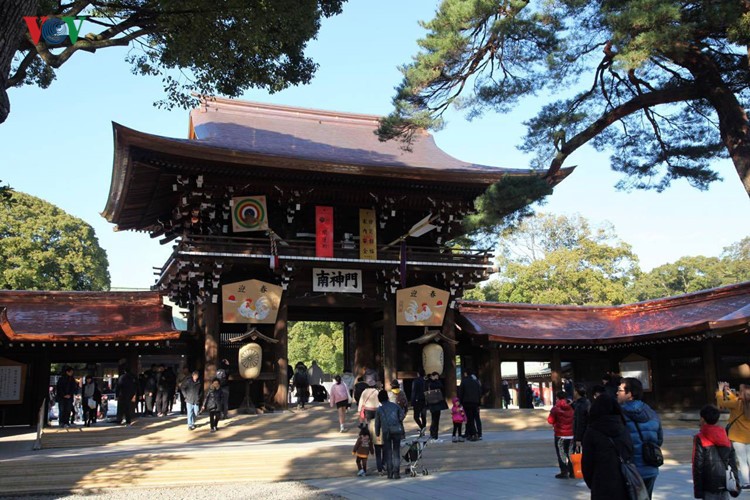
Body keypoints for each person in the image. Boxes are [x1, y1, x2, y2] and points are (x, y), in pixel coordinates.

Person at [582, 393, 635, 499]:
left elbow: (587, 463)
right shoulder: (623, 427)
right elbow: (630, 452)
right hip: (623, 481)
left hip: (601, 482)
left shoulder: (592, 431)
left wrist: (592, 483)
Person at [618, 377, 663, 498]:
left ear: (630, 394)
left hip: (631, 469)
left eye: (620, 390)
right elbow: (659, 440)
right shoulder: (651, 412)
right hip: (650, 465)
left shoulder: (620, 414)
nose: (617, 393)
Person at [693, 404, 741, 499]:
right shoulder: (725, 436)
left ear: (702, 419)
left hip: (708, 484)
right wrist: (736, 483)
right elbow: (733, 463)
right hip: (725, 482)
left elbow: (698, 465)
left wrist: (698, 490)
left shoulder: (700, 438)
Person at [717, 381, 750, 489]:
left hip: (738, 437)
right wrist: (728, 391)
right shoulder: (740, 402)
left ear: (740, 393)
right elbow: (735, 399)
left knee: (742, 460)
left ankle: (746, 482)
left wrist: (720, 391)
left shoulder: (736, 403)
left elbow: (722, 403)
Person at [375, 389, 405, 479]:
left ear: (379, 399)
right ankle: (397, 473)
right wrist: (397, 421)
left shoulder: (379, 409)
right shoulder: (395, 406)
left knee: (388, 452)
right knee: (396, 451)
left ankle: (389, 473)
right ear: (387, 398)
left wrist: (377, 433)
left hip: (386, 431)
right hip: (397, 430)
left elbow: (377, 423)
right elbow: (402, 415)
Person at [548, 390, 575, 479]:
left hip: (560, 435)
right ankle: (572, 472)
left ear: (557, 398)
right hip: (571, 434)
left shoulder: (555, 408)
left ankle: (564, 472)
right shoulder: (572, 407)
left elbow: (550, 420)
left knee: (561, 453)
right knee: (571, 453)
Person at [459, 370, 482, 441]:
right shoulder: (476, 382)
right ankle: (476, 433)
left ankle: (473, 434)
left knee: (469, 419)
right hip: (475, 402)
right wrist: (479, 402)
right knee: (476, 418)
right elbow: (479, 392)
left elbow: (461, 392)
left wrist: (460, 402)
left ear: (466, 373)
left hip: (467, 402)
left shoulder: (464, 381)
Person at [426, 371, 446, 440]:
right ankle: (433, 433)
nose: (437, 377)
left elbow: (441, 387)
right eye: (436, 376)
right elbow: (436, 386)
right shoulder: (429, 382)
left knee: (436, 419)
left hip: (437, 403)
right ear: (433, 376)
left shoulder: (437, 382)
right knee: (434, 419)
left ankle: (435, 434)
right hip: (433, 403)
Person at [572, 383, 591, 453]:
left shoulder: (581, 405)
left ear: (577, 392)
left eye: (574, 391)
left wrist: (578, 439)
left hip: (582, 435)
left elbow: (580, 422)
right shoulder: (586, 402)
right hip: (586, 434)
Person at [411, 370, 427, 436]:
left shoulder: (416, 381)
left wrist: (412, 401)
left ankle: (422, 427)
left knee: (416, 416)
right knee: (423, 415)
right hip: (424, 399)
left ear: (418, 374)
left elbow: (414, 391)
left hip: (417, 400)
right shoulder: (425, 381)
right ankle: (423, 428)